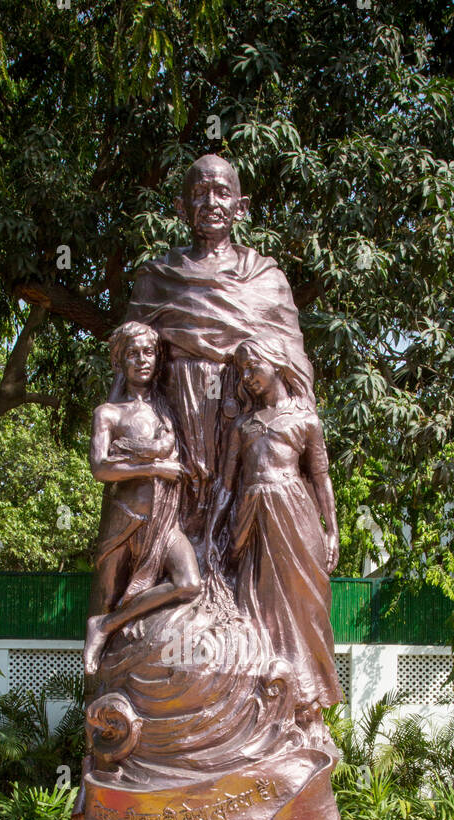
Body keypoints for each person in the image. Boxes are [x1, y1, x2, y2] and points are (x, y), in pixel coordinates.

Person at [125, 155, 314, 529]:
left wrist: (299, 430)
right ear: (182, 208)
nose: (211, 203)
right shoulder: (156, 277)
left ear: (240, 208)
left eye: (222, 193)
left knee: (236, 522)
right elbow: (128, 361)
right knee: (175, 527)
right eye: (200, 193)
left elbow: (295, 362)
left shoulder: (266, 278)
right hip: (173, 416)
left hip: (244, 412)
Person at [205, 336, 342, 716]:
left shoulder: (305, 420)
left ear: (277, 365)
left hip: (296, 517)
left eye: (254, 367)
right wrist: (212, 532)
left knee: (305, 605)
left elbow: (321, 478)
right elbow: (227, 486)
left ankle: (308, 699)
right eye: (242, 371)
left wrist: (332, 530)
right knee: (260, 606)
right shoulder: (244, 426)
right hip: (253, 519)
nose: (247, 377)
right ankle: (266, 694)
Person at [83, 321, 200, 676]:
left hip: (165, 522)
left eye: (148, 352)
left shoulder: (167, 409)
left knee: (189, 583)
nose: (142, 360)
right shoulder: (109, 414)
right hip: (128, 519)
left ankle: (104, 625)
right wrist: (155, 468)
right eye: (133, 354)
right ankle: (104, 644)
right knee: (108, 592)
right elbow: (101, 468)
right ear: (120, 361)